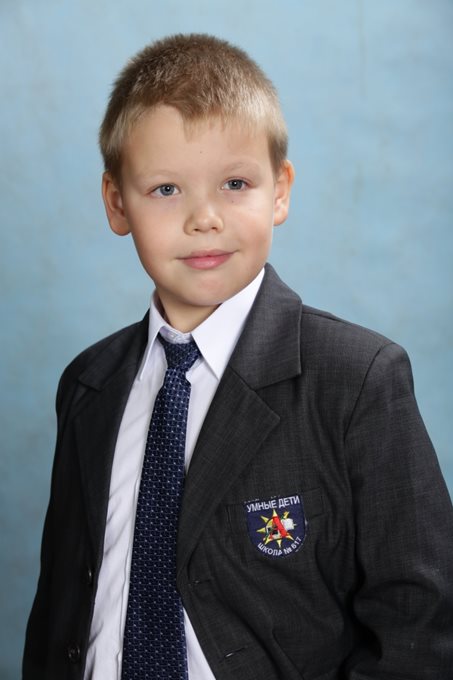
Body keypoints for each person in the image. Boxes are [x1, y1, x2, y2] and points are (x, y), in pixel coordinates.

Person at [23, 33, 453, 680]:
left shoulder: (356, 380)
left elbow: (420, 630)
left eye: (234, 183)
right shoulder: (89, 384)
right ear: (116, 202)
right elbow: (61, 605)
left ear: (279, 191)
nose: (204, 218)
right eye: (165, 189)